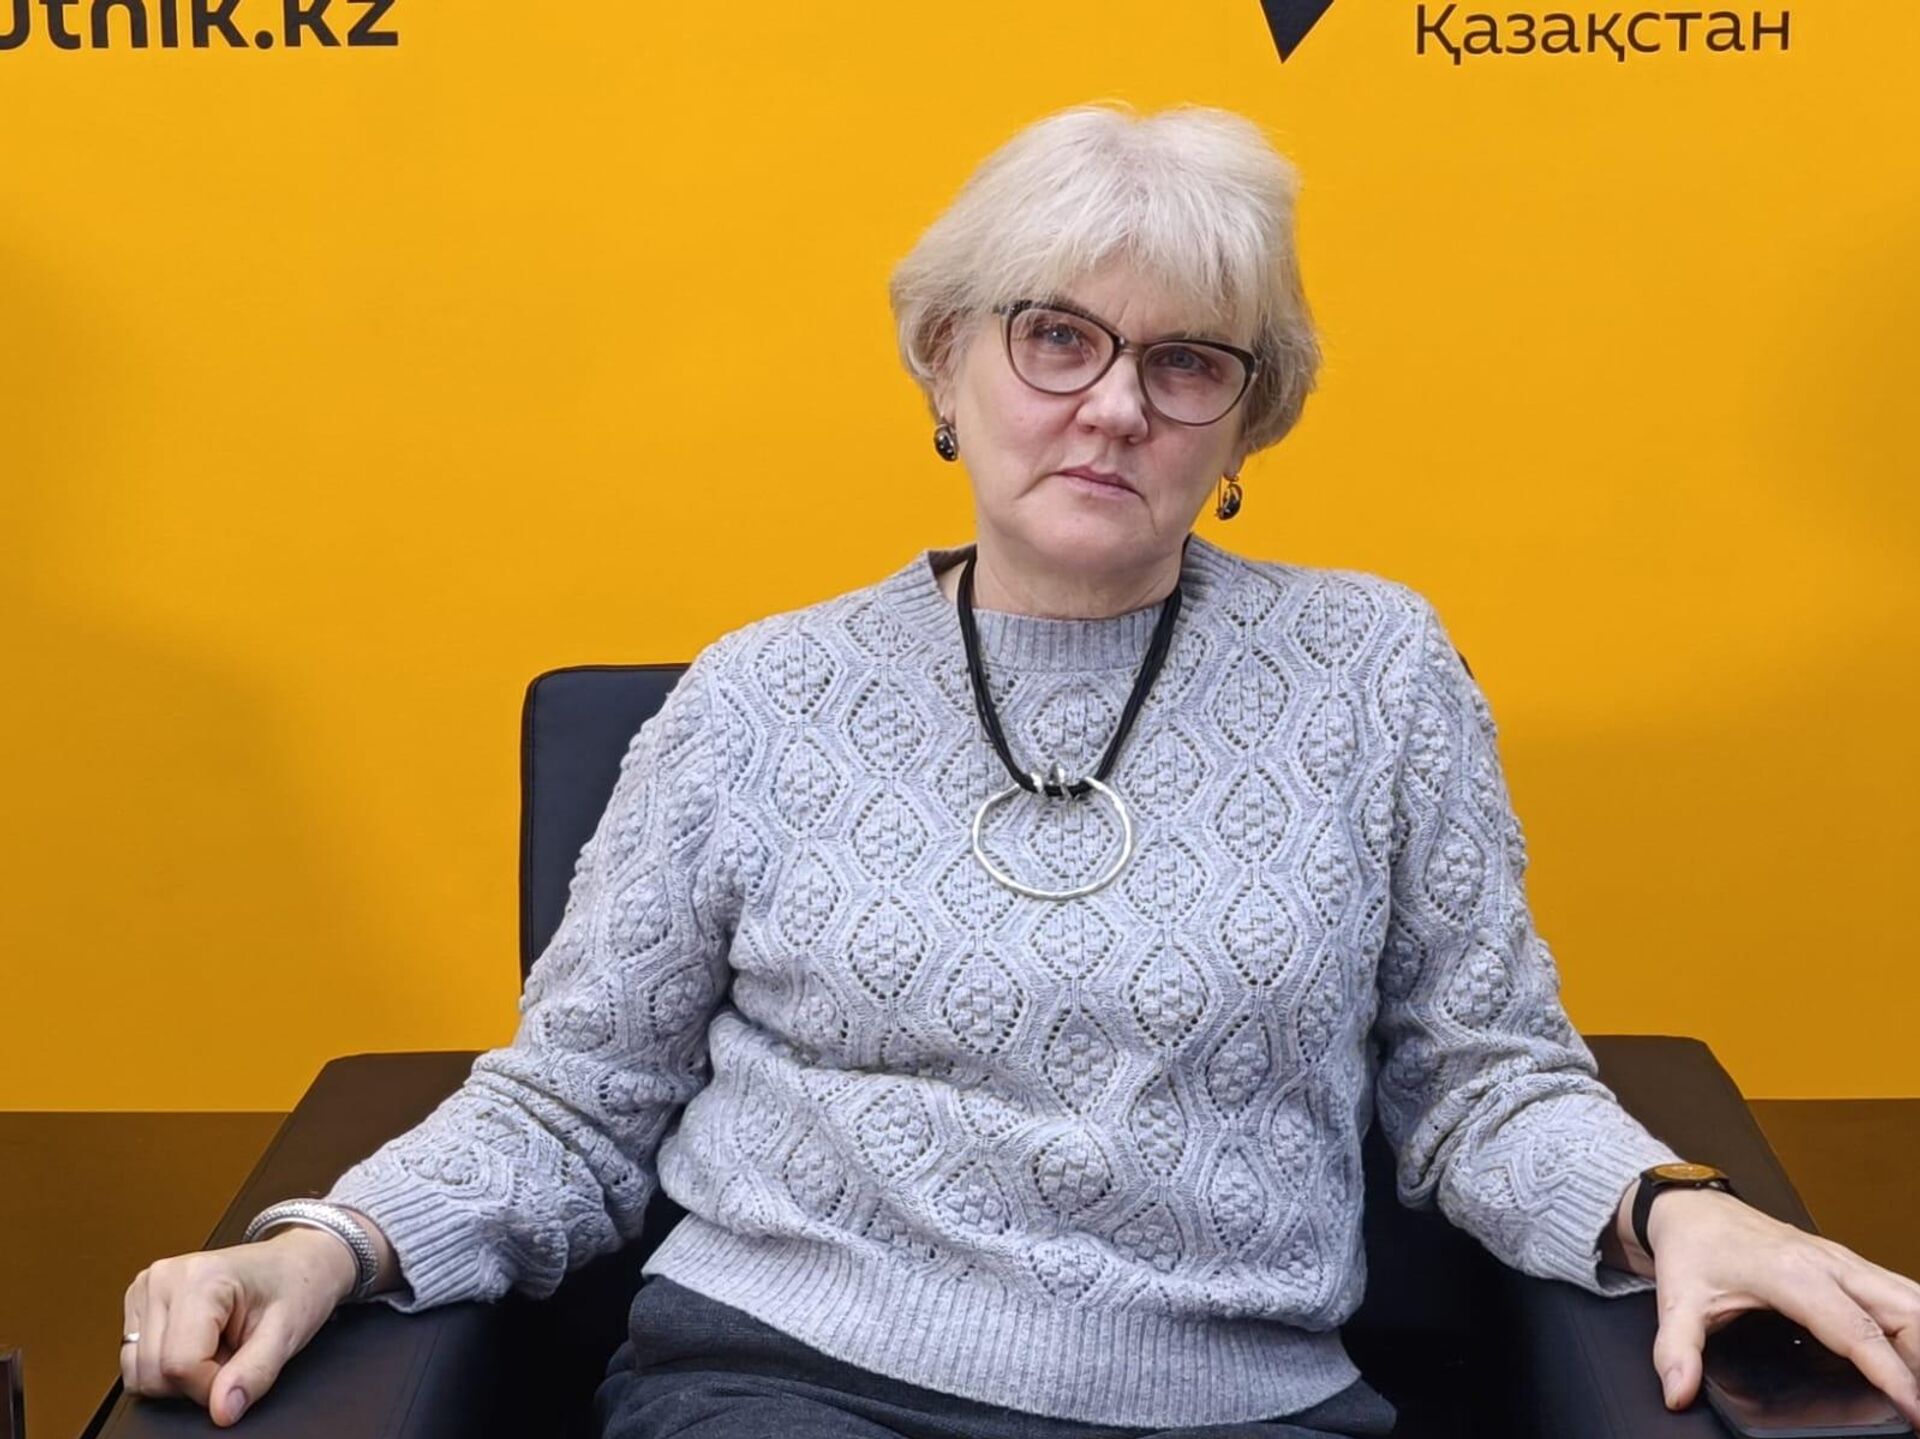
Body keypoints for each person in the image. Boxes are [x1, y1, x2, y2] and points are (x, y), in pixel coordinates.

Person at [120, 101, 1920, 1438]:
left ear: (1247, 422)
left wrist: (1676, 1210)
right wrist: (323, 1241)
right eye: (1057, 336)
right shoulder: (762, 699)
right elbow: (573, 1107)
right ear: (945, 360)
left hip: (1238, 1407)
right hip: (785, 1386)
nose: (1114, 404)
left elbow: (1479, 1084)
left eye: (1187, 363)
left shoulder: (1375, 671)